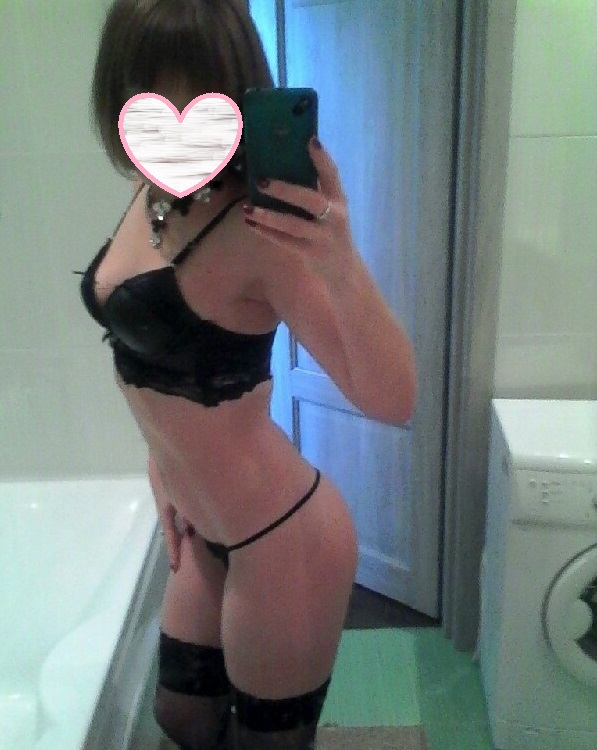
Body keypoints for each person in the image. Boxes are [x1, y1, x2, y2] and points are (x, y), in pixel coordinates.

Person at [83, 1, 417, 748]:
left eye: (194, 99)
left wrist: (341, 260)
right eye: (150, 98)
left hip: (282, 540)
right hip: (202, 524)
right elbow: (152, 369)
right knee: (180, 715)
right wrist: (163, 466)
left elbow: (394, 399)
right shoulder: (153, 190)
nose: (171, 123)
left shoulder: (259, 231)